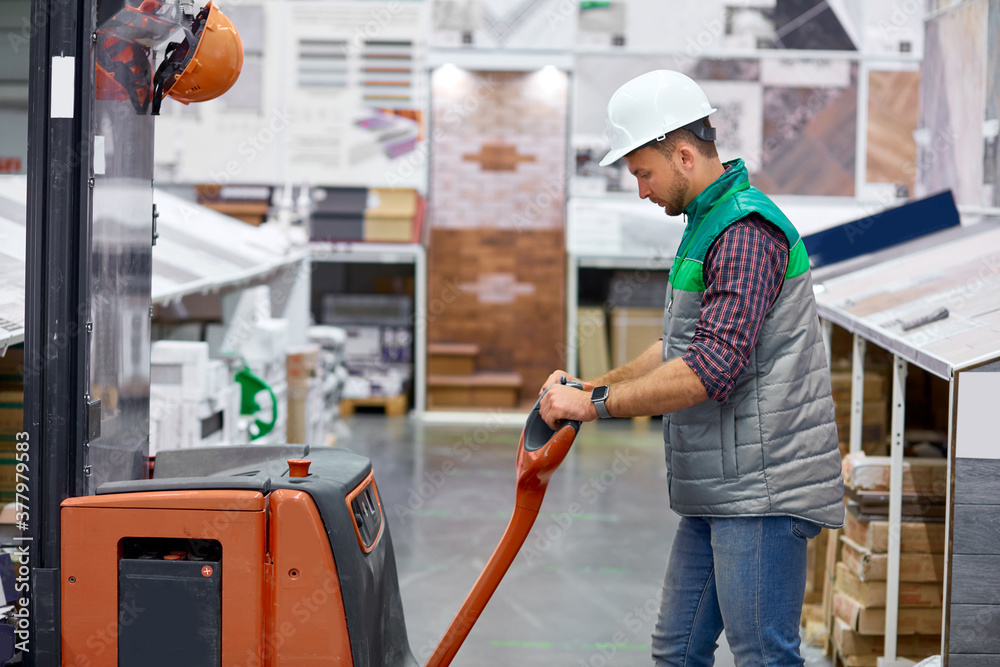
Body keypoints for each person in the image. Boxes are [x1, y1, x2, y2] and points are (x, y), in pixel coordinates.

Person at [539, 70, 845, 666]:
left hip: (761, 490)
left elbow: (709, 369)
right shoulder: (707, 224)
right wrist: (591, 385)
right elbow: (678, 347)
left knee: (763, 655)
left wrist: (596, 408)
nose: (641, 190)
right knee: (677, 651)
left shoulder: (744, 231)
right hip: (720, 486)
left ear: (682, 155)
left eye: (643, 173)